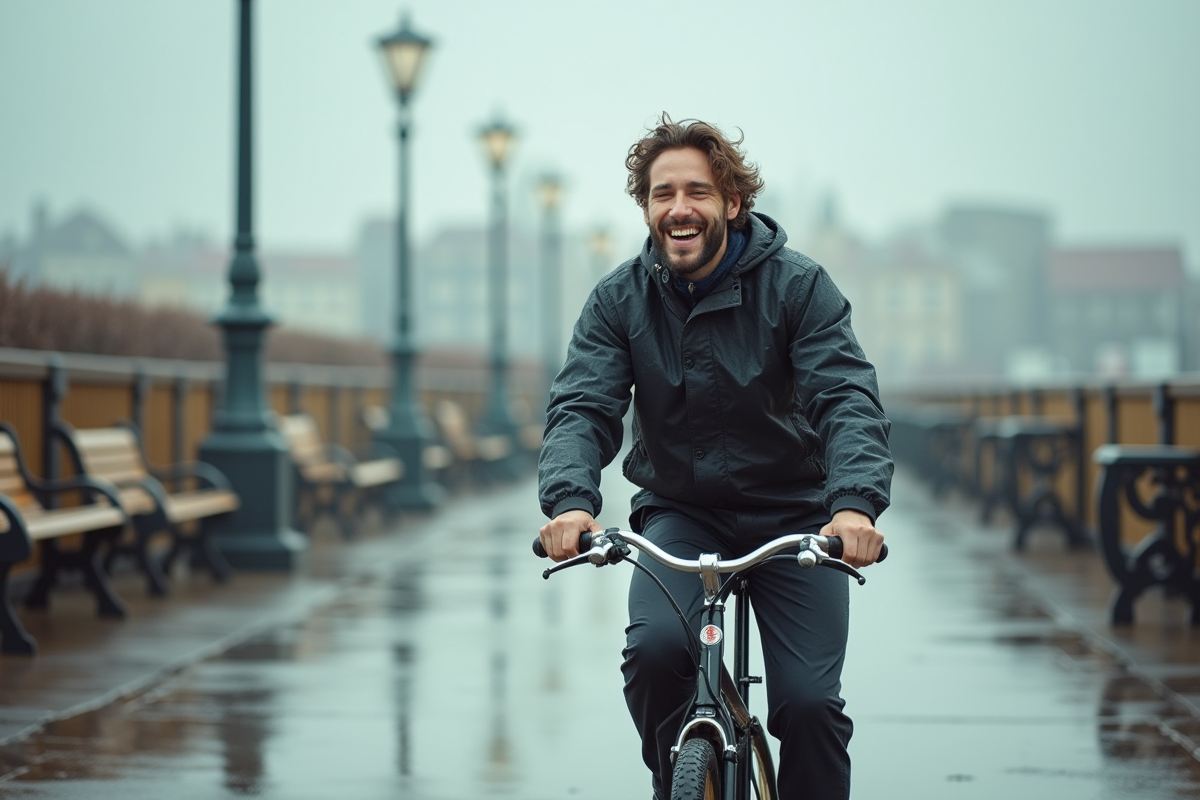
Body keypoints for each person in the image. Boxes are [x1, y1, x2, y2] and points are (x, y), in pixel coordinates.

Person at [537, 114, 892, 800]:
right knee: (653, 656)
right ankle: (682, 780)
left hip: (798, 519)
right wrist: (571, 502)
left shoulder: (798, 288)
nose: (679, 208)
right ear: (645, 207)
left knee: (809, 706)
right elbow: (582, 406)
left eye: (696, 192)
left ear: (732, 202)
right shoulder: (619, 300)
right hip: (682, 514)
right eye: (661, 193)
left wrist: (853, 507)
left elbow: (846, 397)